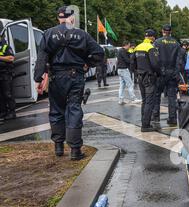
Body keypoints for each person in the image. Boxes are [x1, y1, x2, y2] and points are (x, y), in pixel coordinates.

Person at [34, 6, 104, 160]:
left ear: (58, 18)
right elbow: (99, 53)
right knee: (74, 109)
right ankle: (75, 150)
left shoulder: (48, 33)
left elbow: (42, 57)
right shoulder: (82, 34)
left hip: (56, 78)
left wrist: (38, 78)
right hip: (75, 76)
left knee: (56, 110)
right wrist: (87, 63)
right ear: (72, 18)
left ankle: (58, 147)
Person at [154, 24, 182, 126]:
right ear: (171, 31)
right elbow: (179, 61)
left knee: (156, 95)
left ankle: (156, 116)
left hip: (160, 73)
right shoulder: (176, 43)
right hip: (172, 73)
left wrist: (158, 71)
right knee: (172, 97)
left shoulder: (157, 42)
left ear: (162, 31)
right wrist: (176, 73)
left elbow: (155, 59)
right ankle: (173, 118)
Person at [133, 29, 160, 132]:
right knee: (149, 102)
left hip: (140, 77)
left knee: (144, 101)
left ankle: (144, 121)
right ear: (152, 37)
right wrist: (159, 73)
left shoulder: (137, 47)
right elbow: (155, 64)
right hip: (149, 78)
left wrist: (137, 72)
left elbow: (132, 64)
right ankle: (145, 125)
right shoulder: (150, 48)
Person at [117, 40, 141, 105]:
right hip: (124, 69)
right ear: (126, 45)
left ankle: (121, 100)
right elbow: (127, 60)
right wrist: (132, 59)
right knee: (130, 84)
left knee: (122, 85)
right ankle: (133, 99)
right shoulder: (123, 51)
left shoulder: (120, 50)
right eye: (129, 45)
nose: (129, 47)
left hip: (120, 70)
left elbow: (128, 55)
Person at [0, 33, 16, 122]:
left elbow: (11, 58)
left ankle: (12, 112)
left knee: (7, 94)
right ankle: (3, 112)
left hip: (5, 73)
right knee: (1, 95)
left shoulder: (5, 46)